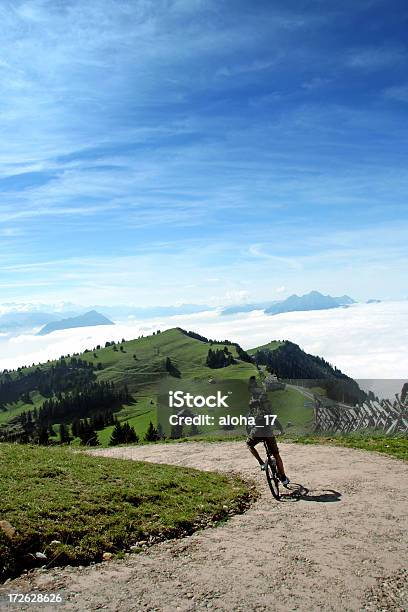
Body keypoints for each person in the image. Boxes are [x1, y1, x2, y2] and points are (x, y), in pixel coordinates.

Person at [246, 375, 290, 487]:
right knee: (276, 455)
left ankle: (261, 463)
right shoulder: (266, 409)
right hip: (268, 433)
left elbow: (248, 424)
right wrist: (281, 430)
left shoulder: (252, 411)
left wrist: (250, 432)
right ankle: (283, 478)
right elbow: (274, 419)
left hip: (256, 432)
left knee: (249, 445)